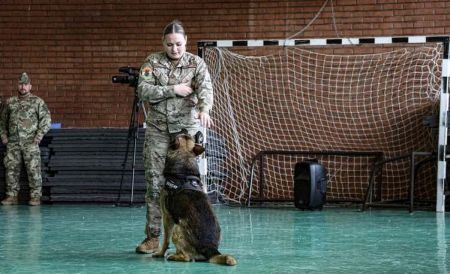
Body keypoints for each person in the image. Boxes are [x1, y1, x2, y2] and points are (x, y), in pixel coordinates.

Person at [135, 20, 213, 254]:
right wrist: (174, 89)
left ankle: (195, 236)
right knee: (155, 184)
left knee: (191, 185)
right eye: (170, 45)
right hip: (159, 132)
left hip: (185, 135)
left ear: (186, 41)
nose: (175, 49)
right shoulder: (152, 62)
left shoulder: (196, 63)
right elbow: (143, 90)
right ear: (163, 43)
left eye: (179, 44)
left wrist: (204, 108)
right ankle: (153, 238)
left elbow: (205, 89)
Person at [0, 72, 51, 206]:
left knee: (33, 169)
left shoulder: (38, 102)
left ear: (30, 86)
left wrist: (39, 135)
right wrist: (4, 136)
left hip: (31, 142)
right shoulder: (10, 102)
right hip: (13, 142)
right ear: (18, 85)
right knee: (11, 169)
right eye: (21, 84)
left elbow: (46, 120)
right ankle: (11, 196)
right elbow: (2, 121)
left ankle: (35, 197)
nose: (23, 87)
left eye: (26, 84)